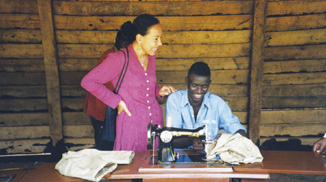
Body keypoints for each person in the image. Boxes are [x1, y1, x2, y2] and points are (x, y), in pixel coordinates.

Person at [81, 14, 176, 151]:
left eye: (160, 38)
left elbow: (145, 83)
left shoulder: (151, 56)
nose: (160, 43)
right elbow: (88, 81)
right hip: (131, 127)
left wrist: (158, 90)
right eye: (156, 38)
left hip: (155, 124)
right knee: (131, 168)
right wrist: (116, 101)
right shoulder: (118, 59)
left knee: (155, 167)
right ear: (139, 38)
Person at [165, 62, 246, 150]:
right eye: (194, 85)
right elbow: (171, 138)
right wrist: (191, 141)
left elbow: (239, 131)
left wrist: (227, 140)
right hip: (180, 158)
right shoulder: (175, 100)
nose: (199, 91)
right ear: (186, 81)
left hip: (210, 159)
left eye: (204, 86)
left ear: (209, 83)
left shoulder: (217, 103)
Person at [83, 27, 131, 150]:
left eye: (128, 41)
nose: (126, 44)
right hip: (100, 107)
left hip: (105, 107)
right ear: (118, 40)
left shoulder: (120, 55)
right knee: (104, 144)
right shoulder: (112, 56)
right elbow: (112, 87)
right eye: (123, 40)